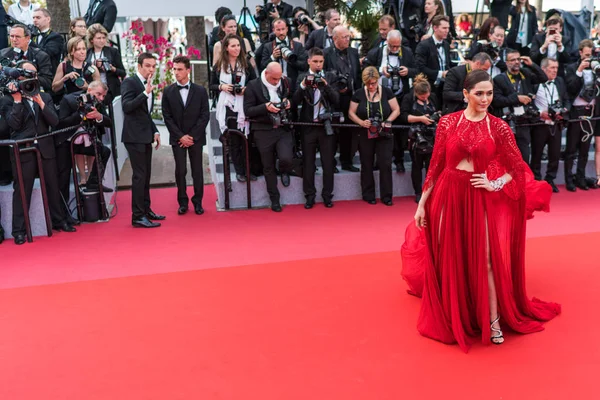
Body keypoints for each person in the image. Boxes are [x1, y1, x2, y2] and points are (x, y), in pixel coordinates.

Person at [401, 69, 560, 352]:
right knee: (449, 256)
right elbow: (435, 166)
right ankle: (455, 314)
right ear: (465, 94)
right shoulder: (447, 123)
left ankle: (493, 320)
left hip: (478, 197)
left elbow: (516, 169)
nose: (485, 99)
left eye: (489, 93)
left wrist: (494, 183)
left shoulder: (498, 127)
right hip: (448, 195)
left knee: (486, 259)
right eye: (479, 93)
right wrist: (422, 204)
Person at [0, 62, 76, 245]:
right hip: (23, 150)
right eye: (27, 75)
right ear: (18, 77)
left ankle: (59, 220)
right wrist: (18, 100)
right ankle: (19, 230)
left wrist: (41, 103)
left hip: (45, 147)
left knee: (52, 184)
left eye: (33, 74)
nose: (31, 78)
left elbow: (54, 121)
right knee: (22, 191)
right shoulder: (8, 99)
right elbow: (13, 125)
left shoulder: (45, 96)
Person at [56, 81, 113, 222]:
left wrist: (99, 116)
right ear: (89, 90)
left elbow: (109, 122)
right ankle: (64, 216)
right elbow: (60, 123)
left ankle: (92, 183)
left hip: (86, 141)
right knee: (63, 178)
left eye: (103, 96)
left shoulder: (98, 103)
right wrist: (81, 114)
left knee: (104, 152)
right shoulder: (69, 99)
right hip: (65, 142)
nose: (100, 98)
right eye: (98, 94)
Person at [364, 30, 418, 173]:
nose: (394, 49)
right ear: (386, 42)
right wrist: (380, 70)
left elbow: (417, 69)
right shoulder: (376, 52)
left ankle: (399, 160)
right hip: (380, 96)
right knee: (379, 127)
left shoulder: (407, 52)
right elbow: (365, 69)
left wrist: (408, 71)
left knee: (399, 131)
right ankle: (377, 160)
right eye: (392, 46)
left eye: (397, 46)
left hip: (400, 95)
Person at [121, 52, 165, 228]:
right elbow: (127, 107)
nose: (151, 69)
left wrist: (155, 130)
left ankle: (146, 210)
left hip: (145, 135)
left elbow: (144, 113)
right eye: (147, 66)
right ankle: (137, 216)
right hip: (134, 137)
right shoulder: (130, 82)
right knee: (139, 176)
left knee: (145, 176)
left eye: (154, 66)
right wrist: (145, 94)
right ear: (139, 66)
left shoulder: (146, 84)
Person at [243, 62, 294, 212]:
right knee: (268, 166)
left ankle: (284, 170)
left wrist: (289, 103)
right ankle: (275, 199)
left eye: (279, 78)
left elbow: (294, 98)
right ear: (266, 74)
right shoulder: (253, 86)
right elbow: (248, 110)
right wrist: (265, 107)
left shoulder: (285, 82)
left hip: (283, 129)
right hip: (263, 131)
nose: (277, 82)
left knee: (286, 158)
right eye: (274, 79)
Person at [162, 56, 210, 215]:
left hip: (196, 138)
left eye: (180, 69)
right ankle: (182, 202)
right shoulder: (168, 91)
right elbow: (167, 117)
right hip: (178, 138)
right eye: (174, 69)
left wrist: (192, 136)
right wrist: (180, 136)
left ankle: (198, 202)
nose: (176, 72)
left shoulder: (201, 91)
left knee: (197, 170)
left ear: (188, 70)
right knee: (180, 170)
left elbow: (205, 116)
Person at [293, 47, 339, 209]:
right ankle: (309, 196)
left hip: (326, 126)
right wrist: (304, 85)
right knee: (308, 163)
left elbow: (337, 100)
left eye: (321, 62)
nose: (318, 65)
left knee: (328, 163)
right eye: (315, 62)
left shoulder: (330, 76)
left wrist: (325, 86)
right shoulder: (301, 77)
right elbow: (294, 101)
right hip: (308, 126)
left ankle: (327, 196)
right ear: (308, 61)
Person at [348, 67, 400, 206]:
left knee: (385, 164)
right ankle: (368, 194)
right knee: (366, 163)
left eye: (374, 83)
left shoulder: (387, 92)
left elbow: (396, 109)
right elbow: (351, 113)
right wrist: (361, 122)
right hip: (365, 133)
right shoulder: (359, 93)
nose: (371, 86)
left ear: (378, 80)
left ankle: (387, 196)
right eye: (368, 84)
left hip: (384, 133)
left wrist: (387, 121)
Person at [211, 34, 258, 183]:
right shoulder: (219, 66)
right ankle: (239, 171)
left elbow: (253, 84)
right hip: (227, 106)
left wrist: (245, 89)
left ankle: (248, 170)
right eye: (233, 46)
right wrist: (222, 86)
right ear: (226, 48)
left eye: (238, 45)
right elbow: (211, 86)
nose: (237, 48)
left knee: (245, 139)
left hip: (243, 105)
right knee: (233, 140)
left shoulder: (245, 64)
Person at [492, 49, 547, 162]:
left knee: (524, 157)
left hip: (524, 121)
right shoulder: (499, 79)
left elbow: (543, 78)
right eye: (513, 60)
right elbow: (497, 101)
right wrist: (516, 98)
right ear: (506, 62)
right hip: (507, 122)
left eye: (518, 59)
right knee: (506, 158)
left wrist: (532, 64)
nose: (516, 62)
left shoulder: (525, 74)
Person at [324, 26, 362, 172]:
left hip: (351, 97)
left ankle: (347, 161)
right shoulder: (326, 53)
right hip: (333, 98)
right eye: (344, 37)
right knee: (333, 132)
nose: (348, 39)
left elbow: (357, 75)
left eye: (348, 36)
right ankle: (331, 162)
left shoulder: (353, 52)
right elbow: (325, 76)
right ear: (335, 38)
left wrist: (357, 96)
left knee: (348, 132)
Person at [399, 74, 439, 203]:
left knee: (430, 166)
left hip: (431, 136)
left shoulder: (432, 98)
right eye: (422, 96)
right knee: (416, 165)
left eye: (427, 95)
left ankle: (430, 191)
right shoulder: (408, 98)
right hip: (416, 137)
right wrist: (420, 119)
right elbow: (404, 116)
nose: (425, 97)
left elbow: (438, 111)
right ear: (416, 93)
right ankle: (418, 191)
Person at [564, 40, 598, 192]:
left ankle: (581, 177)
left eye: (590, 56)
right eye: (586, 55)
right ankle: (569, 179)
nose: (588, 59)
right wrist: (579, 70)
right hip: (576, 111)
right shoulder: (572, 68)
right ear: (580, 53)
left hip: (591, 111)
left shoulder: (596, 68)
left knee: (585, 148)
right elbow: (570, 88)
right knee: (571, 148)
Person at [531, 58, 568, 193]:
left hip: (556, 124)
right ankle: (536, 180)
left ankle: (550, 180)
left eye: (556, 68)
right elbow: (529, 102)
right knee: (536, 154)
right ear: (543, 69)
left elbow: (566, 100)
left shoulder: (560, 81)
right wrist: (539, 113)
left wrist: (563, 111)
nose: (555, 70)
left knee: (555, 154)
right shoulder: (535, 83)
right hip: (540, 124)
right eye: (552, 68)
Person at [0, 24, 54, 92]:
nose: (14, 39)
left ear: (28, 38)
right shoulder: (2, 53)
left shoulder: (41, 56)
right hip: (7, 93)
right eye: (11, 36)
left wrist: (29, 76)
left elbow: (48, 82)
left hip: (31, 92)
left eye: (18, 36)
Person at [260, 18, 308, 90]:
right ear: (273, 30)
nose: (281, 32)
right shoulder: (268, 46)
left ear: (287, 29)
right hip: (273, 84)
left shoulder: (297, 45)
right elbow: (263, 66)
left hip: (293, 83)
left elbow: (304, 66)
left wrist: (290, 60)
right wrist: (273, 57)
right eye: (278, 30)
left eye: (283, 29)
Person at [415, 16, 451, 102]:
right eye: (444, 28)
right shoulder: (424, 45)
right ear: (435, 28)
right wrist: (440, 74)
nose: (447, 31)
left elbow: (447, 64)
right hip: (428, 88)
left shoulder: (446, 45)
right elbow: (420, 68)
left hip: (444, 87)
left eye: (448, 28)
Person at [86, 23, 126, 102]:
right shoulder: (87, 54)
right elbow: (85, 74)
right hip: (95, 92)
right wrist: (94, 67)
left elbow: (123, 72)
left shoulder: (112, 51)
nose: (102, 40)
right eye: (98, 38)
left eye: (104, 38)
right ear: (91, 40)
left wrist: (112, 69)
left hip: (111, 90)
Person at [31, 9, 65, 73]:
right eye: (33, 18)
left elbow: (47, 53)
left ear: (48, 19)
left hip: (48, 74)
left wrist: (30, 42)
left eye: (38, 17)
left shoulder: (56, 37)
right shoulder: (32, 36)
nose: (34, 20)